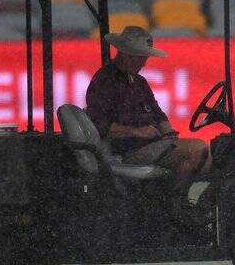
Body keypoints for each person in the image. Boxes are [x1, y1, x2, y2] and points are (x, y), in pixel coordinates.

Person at [85, 25, 211, 199]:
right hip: (127, 151)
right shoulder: (105, 81)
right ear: (127, 55)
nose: (144, 62)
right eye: (140, 58)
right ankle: (173, 203)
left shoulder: (140, 82)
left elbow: (158, 114)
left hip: (151, 145)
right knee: (196, 149)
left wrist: (169, 133)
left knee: (210, 158)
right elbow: (98, 124)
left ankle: (196, 205)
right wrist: (137, 132)